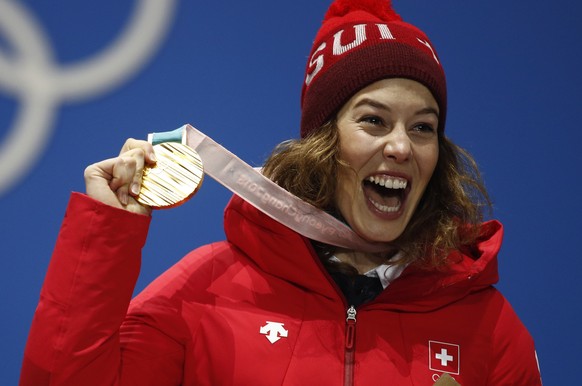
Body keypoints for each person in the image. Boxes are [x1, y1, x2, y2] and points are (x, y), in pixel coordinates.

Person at [20, 0, 542, 385]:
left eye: (423, 127)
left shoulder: (487, 329)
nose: (402, 146)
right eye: (374, 121)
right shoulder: (206, 291)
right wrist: (105, 234)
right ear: (322, 142)